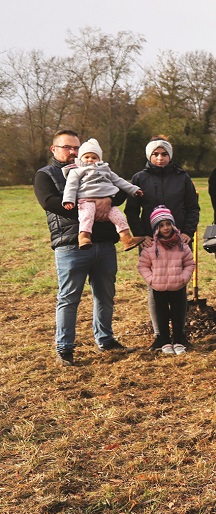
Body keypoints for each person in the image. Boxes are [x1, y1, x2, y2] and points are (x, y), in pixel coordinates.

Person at [35, 130, 129, 365]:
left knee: (105, 295)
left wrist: (107, 200)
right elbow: (50, 202)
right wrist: (90, 205)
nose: (74, 152)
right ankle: (64, 347)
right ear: (54, 149)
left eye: (76, 147)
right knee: (68, 298)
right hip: (70, 245)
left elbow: (117, 191)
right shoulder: (45, 175)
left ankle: (105, 339)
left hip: (105, 242)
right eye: (68, 147)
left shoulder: (95, 166)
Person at [127, 136, 201, 346]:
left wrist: (188, 232)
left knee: (178, 286)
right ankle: (160, 335)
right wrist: (142, 236)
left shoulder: (182, 177)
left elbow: (192, 208)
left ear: (170, 155)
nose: (160, 158)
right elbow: (132, 210)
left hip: (178, 240)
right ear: (149, 156)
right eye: (155, 154)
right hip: (151, 243)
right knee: (156, 286)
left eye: (164, 154)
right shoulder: (139, 178)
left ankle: (180, 335)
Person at [61, 138, 146, 251]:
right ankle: (84, 237)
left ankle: (127, 239)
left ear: (99, 159)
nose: (90, 160)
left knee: (119, 217)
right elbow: (71, 186)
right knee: (86, 217)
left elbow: (120, 181)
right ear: (80, 158)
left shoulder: (106, 169)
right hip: (87, 200)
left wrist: (134, 189)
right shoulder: (76, 171)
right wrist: (69, 200)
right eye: (87, 157)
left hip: (107, 201)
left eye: (94, 157)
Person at [137, 206, 196, 354]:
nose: (166, 228)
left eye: (168, 224)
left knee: (178, 314)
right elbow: (142, 265)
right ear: (156, 228)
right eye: (161, 225)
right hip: (159, 288)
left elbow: (189, 263)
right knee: (161, 314)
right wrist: (152, 280)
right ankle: (164, 341)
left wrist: (184, 278)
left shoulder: (182, 245)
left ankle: (178, 340)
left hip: (178, 285)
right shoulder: (150, 247)